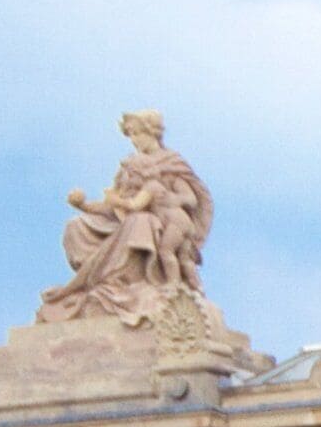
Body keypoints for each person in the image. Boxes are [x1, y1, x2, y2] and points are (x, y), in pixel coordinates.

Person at [41, 112, 213, 325]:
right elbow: (114, 206)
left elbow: (189, 198)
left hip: (162, 223)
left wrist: (166, 199)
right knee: (76, 225)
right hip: (124, 220)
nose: (133, 140)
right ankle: (109, 284)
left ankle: (175, 289)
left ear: (151, 132)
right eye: (130, 134)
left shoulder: (171, 163)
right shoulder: (130, 166)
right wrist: (83, 205)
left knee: (141, 223)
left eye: (136, 133)